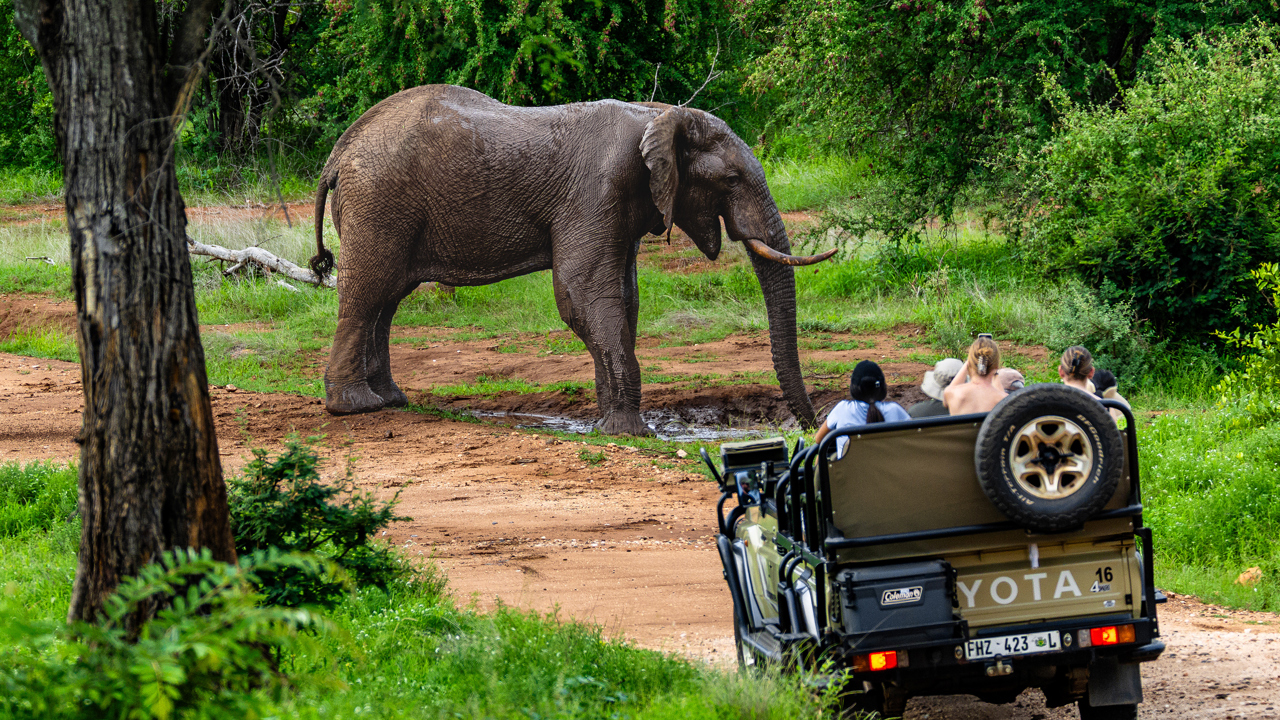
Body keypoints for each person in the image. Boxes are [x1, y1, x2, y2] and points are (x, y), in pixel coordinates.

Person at [816, 360, 910, 458]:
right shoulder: (895, 410)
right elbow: (913, 437)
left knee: (822, 456)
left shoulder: (842, 409)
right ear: (882, 387)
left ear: (854, 388)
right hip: (890, 471)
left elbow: (818, 439)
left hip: (850, 472)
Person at [944, 336, 1008, 415]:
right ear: (996, 367)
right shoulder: (1004, 401)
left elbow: (948, 394)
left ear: (969, 364)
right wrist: (996, 373)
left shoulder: (952, 393)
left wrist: (968, 363)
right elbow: (1005, 401)